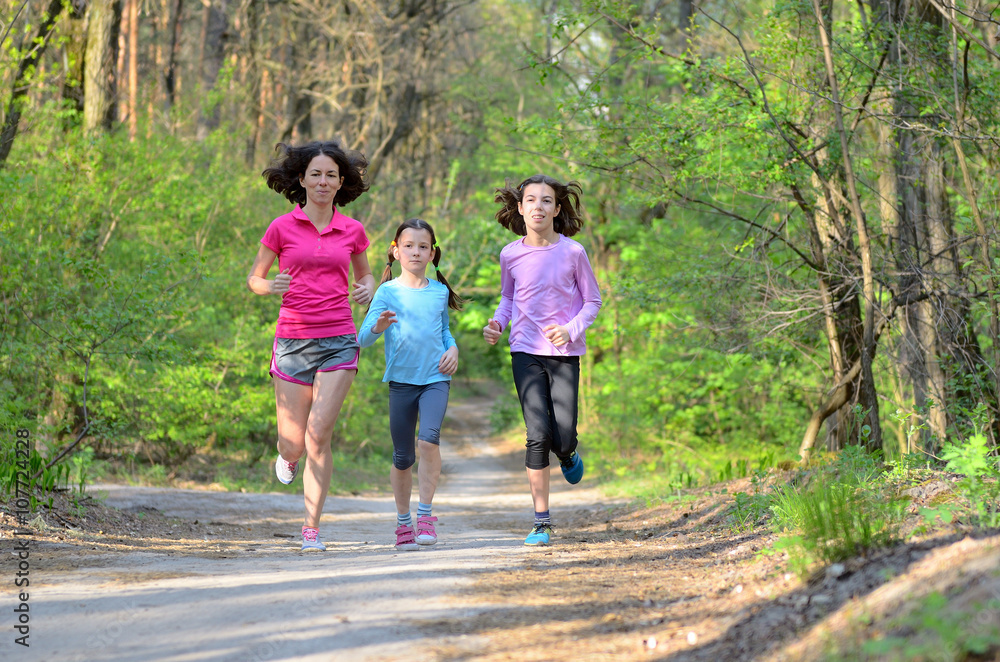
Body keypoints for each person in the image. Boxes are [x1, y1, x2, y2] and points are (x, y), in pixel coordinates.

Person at [246, 140, 375, 552]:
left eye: (331, 175)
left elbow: (366, 276)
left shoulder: (353, 230)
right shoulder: (281, 227)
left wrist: (367, 289)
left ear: (341, 183)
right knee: (295, 442)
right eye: (315, 174)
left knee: (319, 434)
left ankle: (311, 529)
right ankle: (286, 456)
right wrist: (269, 285)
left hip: (338, 338)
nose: (323, 181)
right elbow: (255, 278)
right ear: (301, 179)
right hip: (292, 341)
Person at [482, 174, 602, 546]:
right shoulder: (510, 254)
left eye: (546, 200)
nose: (538, 206)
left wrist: (571, 329)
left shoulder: (573, 252)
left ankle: (567, 454)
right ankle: (542, 523)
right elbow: (507, 297)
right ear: (519, 208)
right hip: (524, 350)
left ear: (557, 208)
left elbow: (593, 302)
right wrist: (498, 323)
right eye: (531, 200)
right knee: (537, 435)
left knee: (562, 436)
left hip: (564, 353)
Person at [358, 218, 462, 551]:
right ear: (396, 251)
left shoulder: (439, 292)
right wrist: (378, 326)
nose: (416, 251)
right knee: (403, 457)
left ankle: (426, 515)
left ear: (432, 253)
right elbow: (361, 339)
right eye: (409, 246)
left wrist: (454, 347)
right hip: (401, 382)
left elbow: (443, 331)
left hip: (435, 378)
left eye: (422, 246)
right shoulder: (387, 292)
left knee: (428, 442)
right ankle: (404, 523)